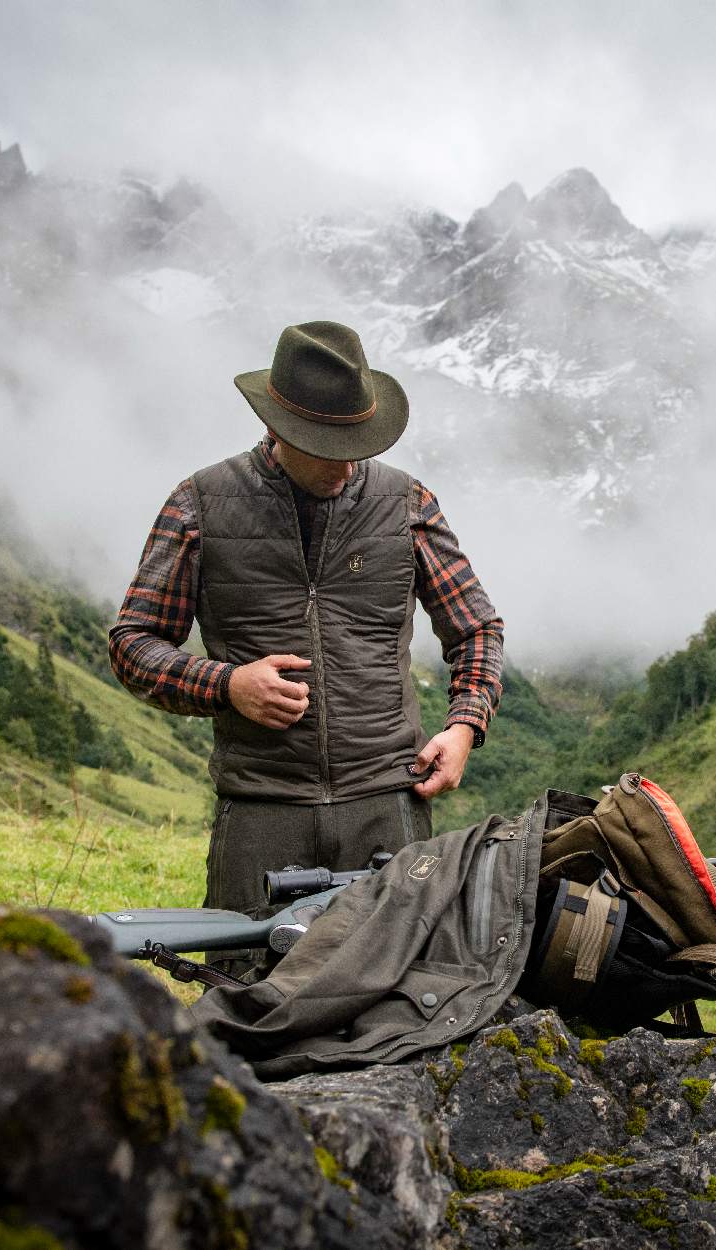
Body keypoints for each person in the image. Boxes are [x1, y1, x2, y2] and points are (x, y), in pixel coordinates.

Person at [109, 320, 504, 974]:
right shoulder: (201, 503)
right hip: (261, 810)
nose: (347, 463)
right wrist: (226, 686)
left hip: (390, 805)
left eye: (359, 443)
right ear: (281, 429)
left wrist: (465, 725)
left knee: (399, 997)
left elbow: (477, 628)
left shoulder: (406, 502)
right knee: (242, 997)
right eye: (328, 445)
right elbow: (133, 643)